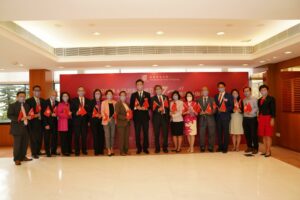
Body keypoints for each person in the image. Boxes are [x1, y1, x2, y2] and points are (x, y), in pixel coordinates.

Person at [7, 91, 33, 165]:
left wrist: (30, 117)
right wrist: (19, 119)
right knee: (17, 145)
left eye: (24, 96)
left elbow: (28, 114)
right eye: (21, 96)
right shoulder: (12, 105)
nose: (22, 97)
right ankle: (17, 159)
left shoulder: (27, 105)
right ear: (17, 97)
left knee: (25, 144)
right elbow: (9, 115)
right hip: (17, 128)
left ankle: (23, 156)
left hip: (26, 127)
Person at [129, 79, 151, 154]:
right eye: (138, 84)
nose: (139, 86)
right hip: (137, 117)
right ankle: (138, 148)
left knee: (145, 133)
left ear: (143, 85)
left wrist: (146, 107)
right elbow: (131, 106)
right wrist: (136, 107)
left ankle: (145, 148)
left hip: (145, 117)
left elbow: (150, 105)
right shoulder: (133, 95)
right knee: (137, 133)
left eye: (140, 84)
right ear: (136, 86)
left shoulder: (147, 94)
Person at [26, 85, 45, 158]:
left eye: (39, 90)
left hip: (41, 122)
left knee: (40, 138)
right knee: (33, 139)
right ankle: (34, 153)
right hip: (32, 123)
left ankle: (38, 151)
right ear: (33, 91)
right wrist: (34, 115)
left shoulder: (43, 101)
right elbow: (28, 112)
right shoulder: (28, 101)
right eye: (36, 90)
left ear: (40, 92)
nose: (37, 92)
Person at [71, 86, 91, 156]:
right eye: (80, 90)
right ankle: (77, 151)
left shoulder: (88, 101)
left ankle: (84, 150)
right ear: (77, 92)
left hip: (85, 122)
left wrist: (88, 121)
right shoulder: (73, 100)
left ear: (84, 92)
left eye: (82, 90)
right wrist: (75, 113)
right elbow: (71, 110)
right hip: (76, 121)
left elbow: (90, 112)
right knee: (76, 136)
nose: (81, 92)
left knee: (84, 136)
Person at [214, 82, 234, 153]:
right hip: (218, 117)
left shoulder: (229, 96)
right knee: (219, 133)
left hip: (226, 117)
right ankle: (220, 147)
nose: (220, 88)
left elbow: (231, 106)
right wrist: (216, 109)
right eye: (219, 87)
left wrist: (225, 109)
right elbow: (215, 106)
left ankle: (225, 148)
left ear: (225, 87)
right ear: (218, 88)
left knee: (226, 133)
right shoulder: (216, 96)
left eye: (222, 87)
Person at [258, 85, 275, 157]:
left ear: (267, 90)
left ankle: (268, 151)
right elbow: (260, 110)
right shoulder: (259, 99)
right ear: (260, 91)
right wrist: (258, 117)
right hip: (261, 118)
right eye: (262, 90)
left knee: (268, 135)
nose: (263, 91)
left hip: (268, 118)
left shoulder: (271, 98)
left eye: (264, 90)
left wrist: (273, 118)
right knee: (263, 136)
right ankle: (265, 150)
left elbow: (273, 109)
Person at [198, 86, 217, 152]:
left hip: (210, 119)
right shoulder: (198, 100)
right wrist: (199, 112)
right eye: (203, 90)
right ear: (201, 92)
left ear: (208, 91)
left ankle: (211, 146)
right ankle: (202, 146)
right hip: (202, 119)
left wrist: (210, 113)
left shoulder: (212, 99)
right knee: (201, 133)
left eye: (206, 90)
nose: (204, 91)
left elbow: (215, 109)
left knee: (211, 133)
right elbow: (196, 109)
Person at [152, 85, 170, 153]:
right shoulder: (152, 98)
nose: (158, 90)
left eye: (159, 89)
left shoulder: (166, 97)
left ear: (161, 90)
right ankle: (157, 148)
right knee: (156, 134)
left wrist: (166, 113)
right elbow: (152, 108)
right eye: (156, 89)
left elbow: (168, 108)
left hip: (165, 118)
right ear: (155, 91)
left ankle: (165, 147)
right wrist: (158, 110)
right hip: (156, 119)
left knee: (165, 134)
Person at [42, 90, 59, 157]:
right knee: (47, 139)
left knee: (54, 138)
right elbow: (43, 115)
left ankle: (54, 151)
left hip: (55, 124)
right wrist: (46, 124)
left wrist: (57, 115)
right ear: (50, 95)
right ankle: (48, 152)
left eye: (55, 95)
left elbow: (59, 113)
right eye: (53, 95)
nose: (54, 96)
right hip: (47, 124)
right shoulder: (45, 102)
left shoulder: (58, 103)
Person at [242, 87, 259, 154]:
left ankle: (255, 148)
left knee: (253, 134)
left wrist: (251, 112)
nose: (246, 92)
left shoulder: (254, 99)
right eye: (245, 91)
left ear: (250, 91)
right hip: (245, 118)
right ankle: (249, 147)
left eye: (247, 91)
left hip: (253, 118)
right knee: (247, 134)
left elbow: (257, 108)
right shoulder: (244, 100)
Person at [115, 91, 132, 156]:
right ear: (119, 96)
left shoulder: (127, 104)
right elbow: (117, 114)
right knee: (121, 138)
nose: (123, 97)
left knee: (126, 138)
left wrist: (130, 116)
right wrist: (125, 117)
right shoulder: (118, 104)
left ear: (125, 96)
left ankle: (126, 150)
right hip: (121, 123)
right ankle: (121, 151)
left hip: (127, 123)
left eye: (124, 95)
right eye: (121, 95)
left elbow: (129, 112)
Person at [101, 89, 117, 156]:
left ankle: (112, 148)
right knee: (107, 136)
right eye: (108, 94)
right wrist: (107, 118)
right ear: (106, 95)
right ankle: (108, 150)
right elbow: (102, 112)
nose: (109, 95)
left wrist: (113, 116)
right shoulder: (103, 102)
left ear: (112, 95)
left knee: (112, 135)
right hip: (106, 121)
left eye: (111, 94)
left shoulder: (115, 102)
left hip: (113, 120)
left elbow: (116, 112)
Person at [90, 89, 105, 155]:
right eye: (96, 94)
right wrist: (94, 114)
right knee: (95, 136)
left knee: (101, 136)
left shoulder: (103, 102)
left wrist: (102, 115)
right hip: (94, 121)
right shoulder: (91, 102)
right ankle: (96, 151)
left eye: (98, 93)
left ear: (100, 95)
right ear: (94, 95)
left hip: (101, 121)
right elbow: (88, 112)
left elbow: (105, 111)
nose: (97, 95)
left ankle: (101, 150)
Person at [57, 92, 72, 156]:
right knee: (63, 138)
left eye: (66, 96)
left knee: (69, 137)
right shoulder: (60, 104)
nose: (65, 97)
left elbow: (71, 113)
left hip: (70, 123)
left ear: (68, 97)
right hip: (63, 123)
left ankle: (69, 150)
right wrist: (67, 115)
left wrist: (70, 115)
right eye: (64, 96)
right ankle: (64, 151)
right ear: (62, 97)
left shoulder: (70, 104)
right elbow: (58, 113)